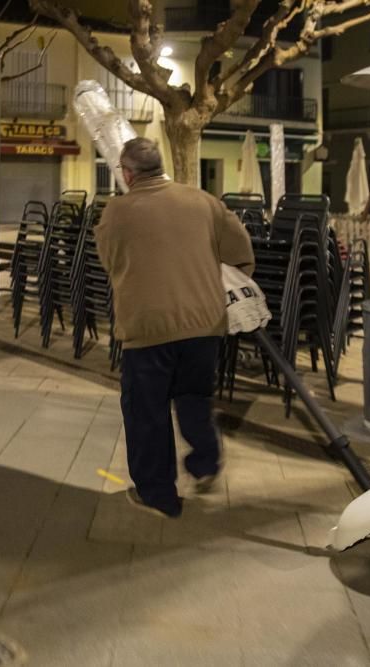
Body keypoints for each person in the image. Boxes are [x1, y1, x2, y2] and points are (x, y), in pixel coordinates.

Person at [95, 138, 255, 519]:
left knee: (146, 411)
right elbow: (240, 251)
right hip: (204, 323)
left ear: (128, 173)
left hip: (150, 328)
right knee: (194, 397)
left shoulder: (117, 211)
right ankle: (205, 463)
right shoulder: (203, 201)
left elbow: (109, 261)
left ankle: (158, 494)